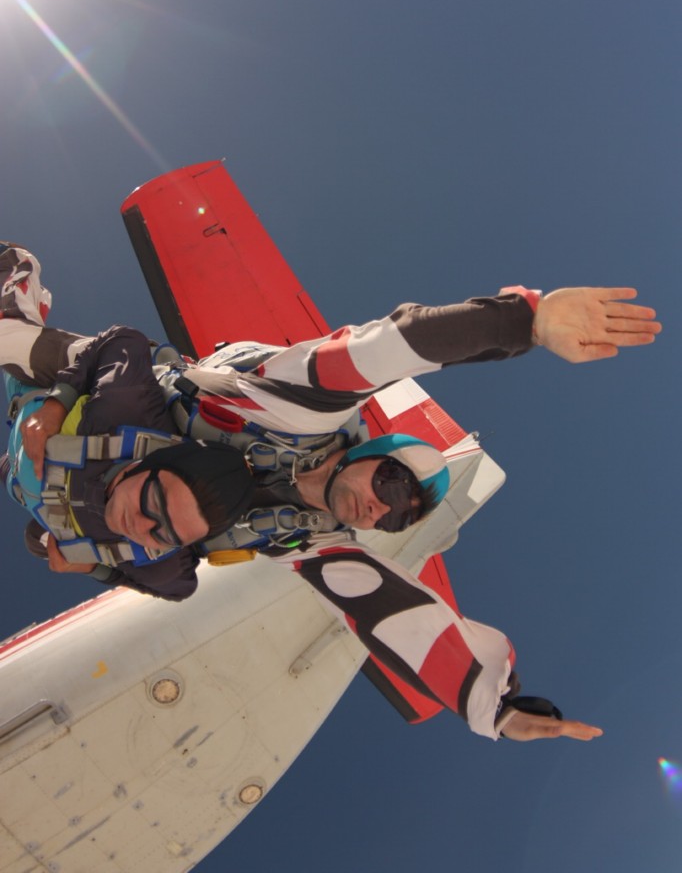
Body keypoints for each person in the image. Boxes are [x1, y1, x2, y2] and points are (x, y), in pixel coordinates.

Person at [0, 242, 661, 743]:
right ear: (371, 453)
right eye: (392, 483)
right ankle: (18, 294)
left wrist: (496, 707)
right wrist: (527, 322)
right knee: (13, 346)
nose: (384, 507)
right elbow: (386, 348)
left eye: (398, 516)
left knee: (79, 545)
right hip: (124, 404)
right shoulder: (302, 411)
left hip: (118, 497)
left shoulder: (312, 539)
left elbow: (395, 611)